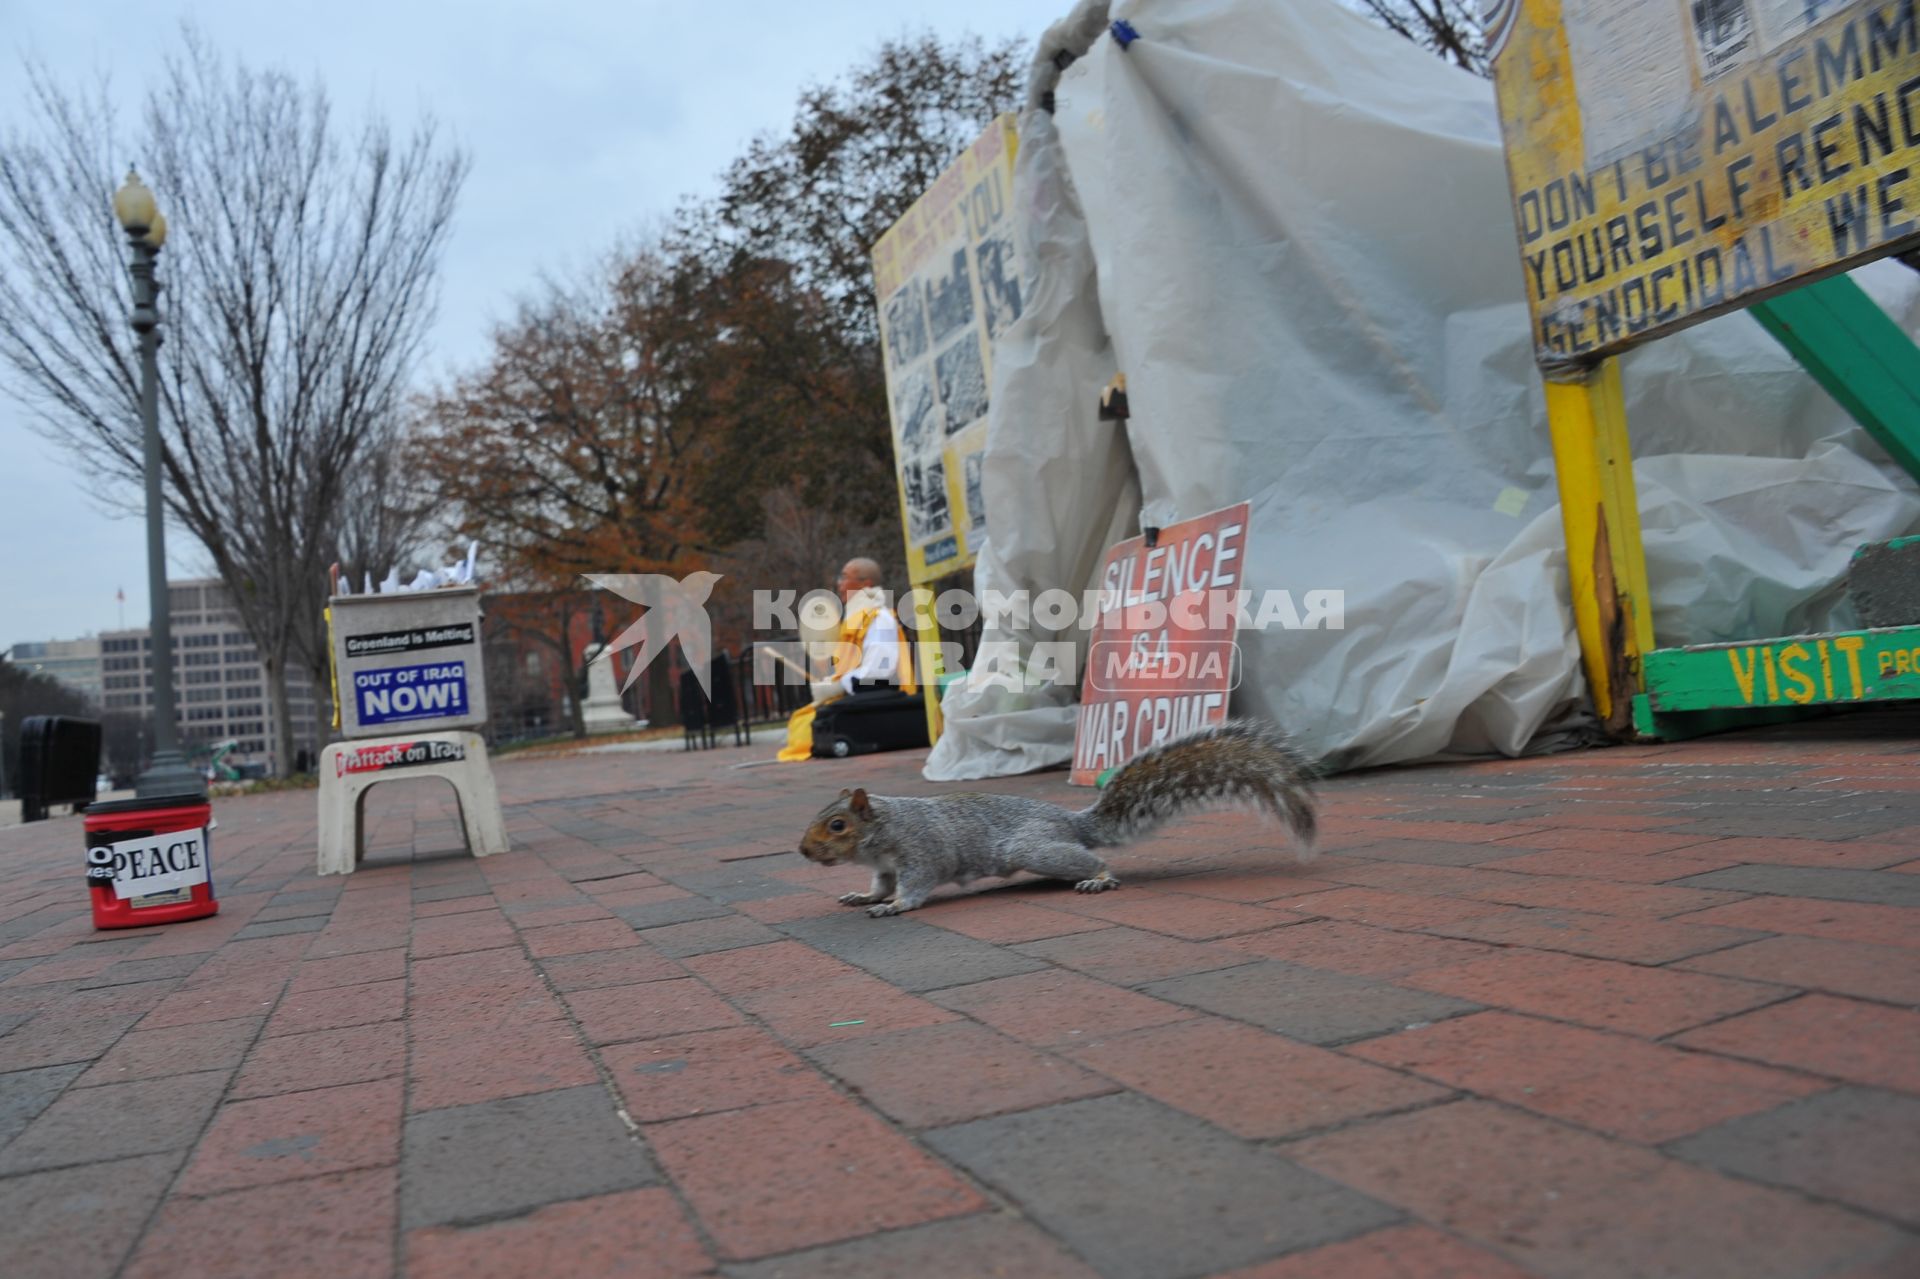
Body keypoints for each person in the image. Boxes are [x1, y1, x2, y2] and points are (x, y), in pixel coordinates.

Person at [777, 558, 917, 762]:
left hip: (880, 692)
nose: (839, 584)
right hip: (859, 689)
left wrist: (838, 687)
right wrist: (833, 681)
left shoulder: (879, 618)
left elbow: (878, 671)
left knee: (806, 726)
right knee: (800, 720)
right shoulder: (853, 619)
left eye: (844, 577)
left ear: (865, 584)